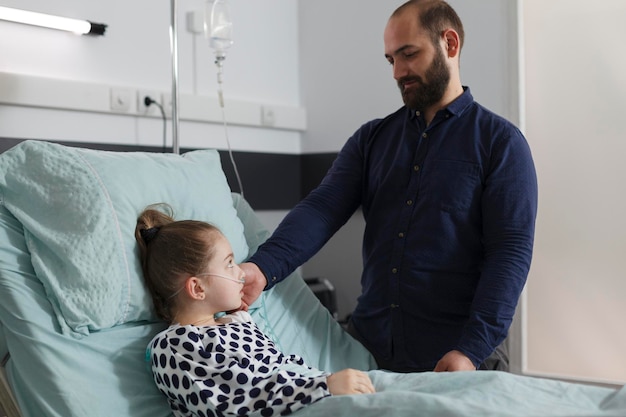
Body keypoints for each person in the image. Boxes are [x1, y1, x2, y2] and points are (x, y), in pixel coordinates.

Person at [240, 0, 538, 373]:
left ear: (450, 44)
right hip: (371, 354)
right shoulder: (372, 140)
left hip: (461, 358)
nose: (398, 71)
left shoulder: (500, 143)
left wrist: (471, 350)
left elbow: (509, 254)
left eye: (408, 54)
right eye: (390, 60)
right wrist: (262, 268)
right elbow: (322, 208)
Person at [134, 205, 375, 417]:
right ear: (197, 288)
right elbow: (236, 402)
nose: (240, 272)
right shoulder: (172, 347)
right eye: (229, 264)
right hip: (306, 398)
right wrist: (324, 386)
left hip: (310, 391)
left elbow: (277, 368)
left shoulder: (237, 321)